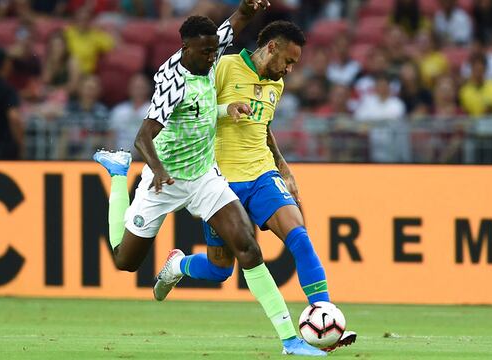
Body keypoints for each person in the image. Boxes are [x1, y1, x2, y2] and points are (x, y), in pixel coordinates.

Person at [92, 1, 326, 356]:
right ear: (186, 49)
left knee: (248, 248)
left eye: (215, 51)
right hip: (165, 179)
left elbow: (236, 22)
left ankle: (290, 340)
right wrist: (156, 170)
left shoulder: (209, 54)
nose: (212, 58)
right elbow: (144, 136)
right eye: (206, 53)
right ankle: (118, 174)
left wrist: (248, 6)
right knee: (124, 260)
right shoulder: (171, 81)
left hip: (204, 176)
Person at [204, 20, 355, 350]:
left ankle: (325, 316)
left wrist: (284, 168)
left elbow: (264, 128)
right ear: (271, 47)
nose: (288, 70)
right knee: (218, 270)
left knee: (299, 235)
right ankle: (177, 265)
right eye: (288, 61)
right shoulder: (224, 67)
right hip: (219, 182)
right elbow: (192, 112)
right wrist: (225, 110)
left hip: (261, 173)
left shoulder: (276, 85)